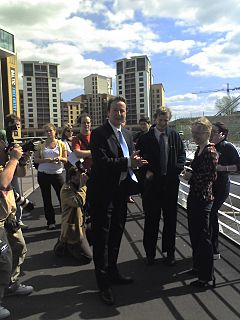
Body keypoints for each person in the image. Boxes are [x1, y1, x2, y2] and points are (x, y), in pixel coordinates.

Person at [87, 96, 148, 305]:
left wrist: (135, 163)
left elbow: (128, 161)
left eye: (122, 110)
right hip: (102, 195)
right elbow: (103, 163)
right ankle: (103, 284)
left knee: (116, 234)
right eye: (115, 110)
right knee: (102, 238)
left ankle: (113, 272)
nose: (119, 114)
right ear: (108, 112)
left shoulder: (129, 135)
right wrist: (129, 162)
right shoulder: (98, 134)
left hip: (121, 193)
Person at [136, 107, 186, 266]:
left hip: (170, 184)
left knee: (170, 220)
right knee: (152, 220)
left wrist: (176, 170)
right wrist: (146, 172)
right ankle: (150, 253)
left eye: (166, 120)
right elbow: (138, 158)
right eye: (160, 120)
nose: (163, 123)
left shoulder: (174, 136)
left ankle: (169, 253)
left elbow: (182, 155)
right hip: (152, 186)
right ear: (155, 118)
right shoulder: (145, 138)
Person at [183, 117, 218, 288]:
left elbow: (210, 177)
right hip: (195, 197)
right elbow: (201, 171)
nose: (194, 135)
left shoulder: (210, 152)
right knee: (195, 235)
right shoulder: (199, 150)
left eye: (197, 133)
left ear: (207, 133)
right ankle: (198, 267)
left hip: (204, 199)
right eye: (193, 132)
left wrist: (191, 176)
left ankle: (206, 276)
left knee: (204, 238)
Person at [0, 144, 33, 319]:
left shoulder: (4, 163)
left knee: (19, 248)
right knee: (2, 261)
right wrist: (13, 158)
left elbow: (20, 175)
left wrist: (22, 161)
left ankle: (11, 284)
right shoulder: (6, 163)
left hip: (9, 219)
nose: (6, 148)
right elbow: (3, 182)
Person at [210, 122, 240, 259]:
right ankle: (210, 247)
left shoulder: (228, 147)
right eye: (211, 131)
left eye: (214, 131)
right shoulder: (210, 145)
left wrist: (223, 168)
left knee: (212, 213)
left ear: (223, 134)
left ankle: (214, 249)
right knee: (210, 215)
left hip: (221, 186)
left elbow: (238, 166)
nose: (211, 133)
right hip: (209, 186)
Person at [54, 166, 92, 263]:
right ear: (72, 177)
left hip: (82, 223)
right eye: (79, 176)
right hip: (73, 228)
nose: (82, 178)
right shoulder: (66, 189)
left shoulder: (79, 186)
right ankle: (66, 245)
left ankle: (81, 243)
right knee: (87, 258)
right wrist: (83, 185)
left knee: (99, 228)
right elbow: (78, 202)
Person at [34, 123, 67, 230]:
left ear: (55, 132)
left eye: (50, 131)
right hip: (43, 174)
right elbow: (36, 159)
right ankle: (50, 222)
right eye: (46, 131)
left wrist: (59, 159)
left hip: (58, 174)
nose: (48, 133)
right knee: (46, 199)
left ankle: (65, 220)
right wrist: (46, 160)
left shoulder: (61, 144)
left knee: (62, 198)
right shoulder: (41, 145)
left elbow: (66, 159)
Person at [5, 114, 29, 229]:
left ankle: (17, 220)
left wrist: (22, 159)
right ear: (10, 124)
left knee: (16, 195)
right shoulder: (4, 136)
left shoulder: (10, 138)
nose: (17, 127)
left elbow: (22, 173)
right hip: (5, 172)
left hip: (12, 170)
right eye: (16, 125)